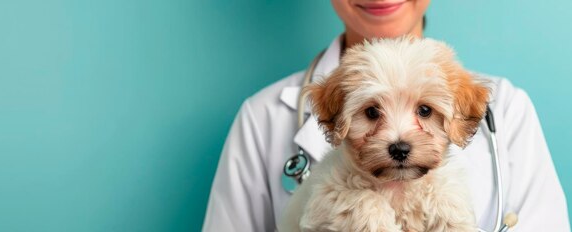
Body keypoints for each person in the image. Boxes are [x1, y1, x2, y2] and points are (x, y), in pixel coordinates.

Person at [202, 0, 570, 231]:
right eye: (372, 112)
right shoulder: (260, 117)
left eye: (425, 111)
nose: (398, 137)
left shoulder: (507, 106)